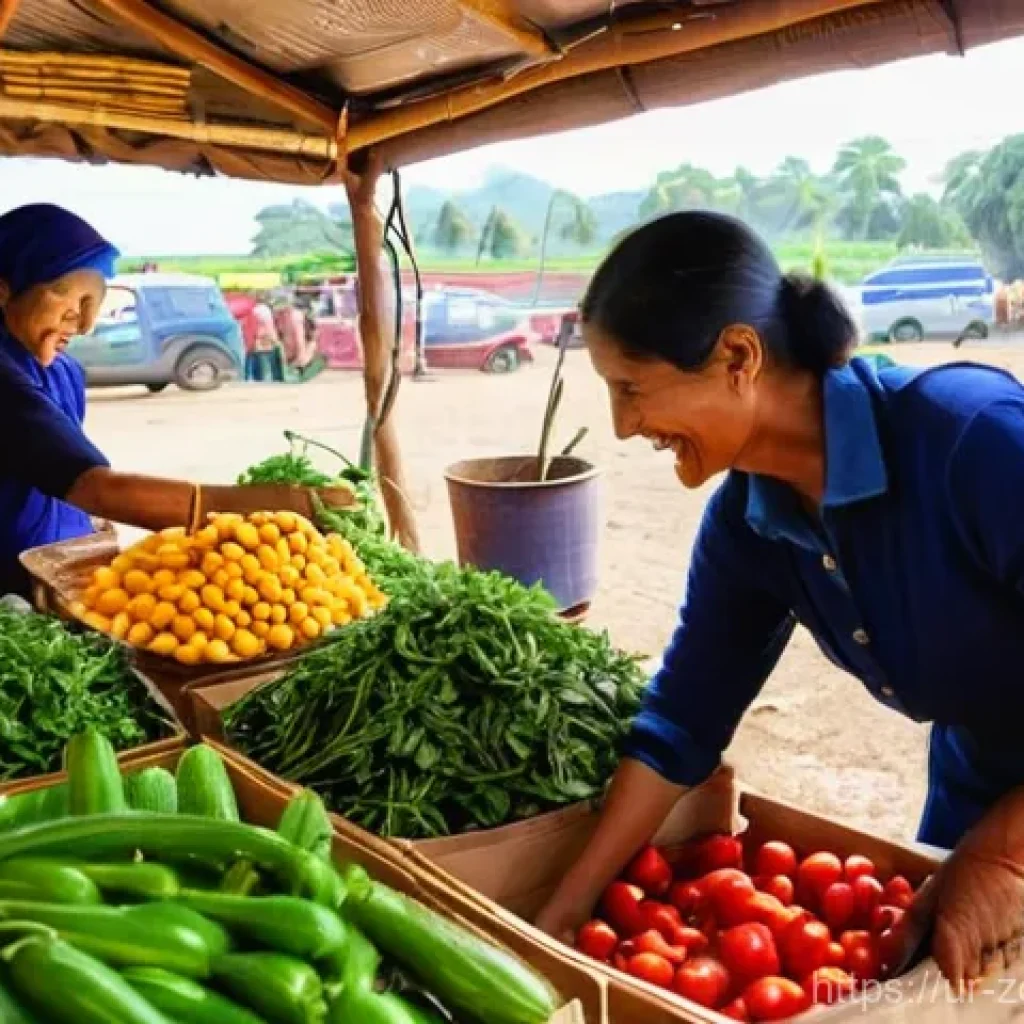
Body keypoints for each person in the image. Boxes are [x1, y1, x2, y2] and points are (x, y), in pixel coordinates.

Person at [535, 211, 1024, 988]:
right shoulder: (750, 522)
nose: (625, 427)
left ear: (738, 355)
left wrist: (1002, 854)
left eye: (632, 389)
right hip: (981, 781)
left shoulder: (970, 441)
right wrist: (562, 913)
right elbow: (682, 721)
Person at [0, 203, 351, 597]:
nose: (83, 324)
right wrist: (280, 505)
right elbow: (93, 487)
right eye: (69, 299)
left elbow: (50, 479)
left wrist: (89, 527)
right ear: (4, 290)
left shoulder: (62, 371)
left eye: (92, 303)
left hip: (56, 575)